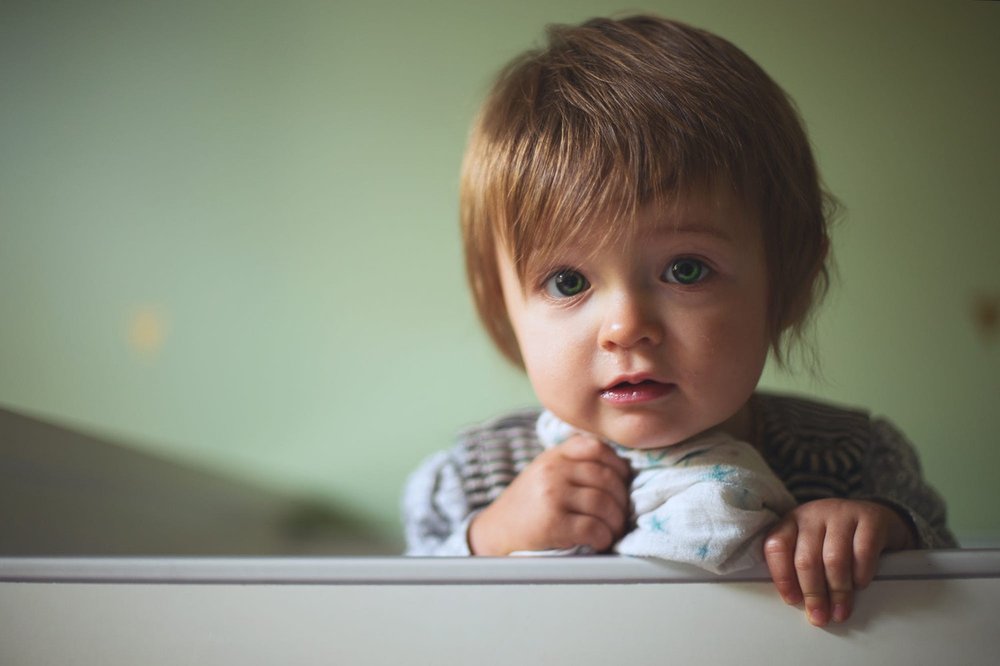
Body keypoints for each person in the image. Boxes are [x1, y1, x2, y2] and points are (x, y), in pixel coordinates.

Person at [402, 14, 955, 627]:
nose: (626, 328)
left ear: (787, 279)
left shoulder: (853, 460)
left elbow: (958, 603)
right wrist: (487, 542)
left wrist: (884, 535)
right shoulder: (472, 478)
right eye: (568, 282)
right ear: (500, 302)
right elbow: (404, 617)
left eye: (686, 270)